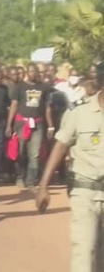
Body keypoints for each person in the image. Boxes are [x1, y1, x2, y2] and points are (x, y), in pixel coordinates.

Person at [37, 64, 104, 271]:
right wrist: (43, 185)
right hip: (85, 191)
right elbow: (60, 145)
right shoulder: (79, 112)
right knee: (84, 251)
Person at [7, 64, 53, 190]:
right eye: (31, 71)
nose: (33, 73)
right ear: (27, 72)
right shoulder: (20, 86)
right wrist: (9, 125)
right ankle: (20, 177)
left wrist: (50, 126)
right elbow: (14, 105)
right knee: (20, 152)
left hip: (38, 124)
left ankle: (31, 181)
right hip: (22, 123)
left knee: (35, 154)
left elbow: (47, 108)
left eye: (35, 71)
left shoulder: (44, 87)